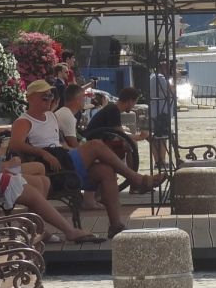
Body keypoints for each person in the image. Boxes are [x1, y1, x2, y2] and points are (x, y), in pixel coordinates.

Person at [10, 80, 166, 238]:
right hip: (50, 166)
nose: (49, 99)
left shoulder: (51, 116)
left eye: (50, 95)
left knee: (105, 170)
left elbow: (61, 143)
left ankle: (116, 225)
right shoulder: (24, 121)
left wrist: (77, 152)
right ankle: (136, 179)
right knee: (96, 145)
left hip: (62, 159)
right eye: (44, 96)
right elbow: (15, 144)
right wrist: (44, 153)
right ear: (31, 98)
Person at [0, 94, 103, 243]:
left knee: (43, 181)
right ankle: (68, 230)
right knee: (34, 192)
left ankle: (37, 228)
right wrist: (5, 165)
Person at [148, 63, 175, 168]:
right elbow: (171, 90)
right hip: (162, 111)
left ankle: (157, 161)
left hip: (155, 110)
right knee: (162, 137)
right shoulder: (160, 77)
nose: (169, 69)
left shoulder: (152, 76)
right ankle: (162, 161)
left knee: (155, 137)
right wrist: (175, 79)